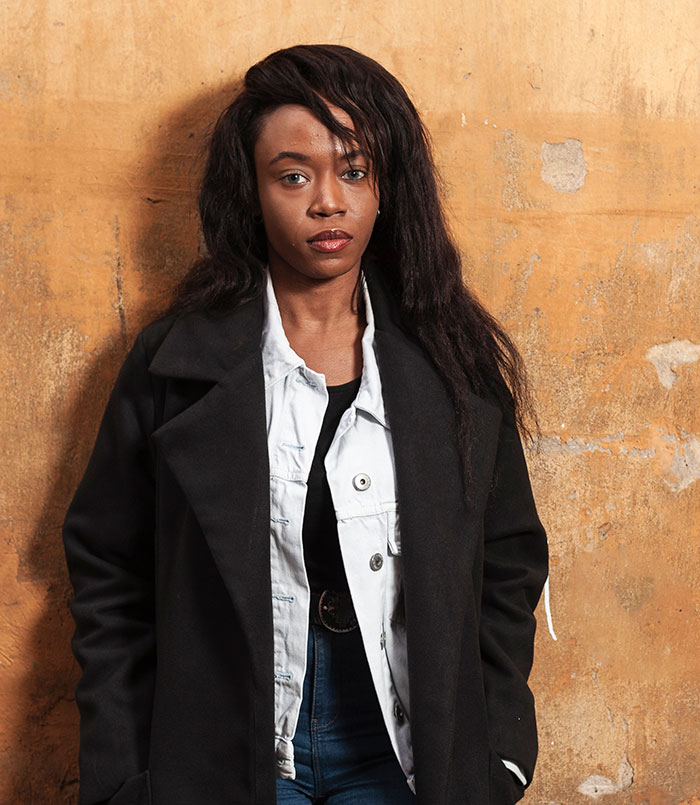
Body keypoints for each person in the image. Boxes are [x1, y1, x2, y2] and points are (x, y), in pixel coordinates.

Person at [63, 44, 548, 805]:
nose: (329, 201)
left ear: (387, 186)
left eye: (354, 171)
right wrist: (126, 774)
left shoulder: (451, 358)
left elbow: (510, 554)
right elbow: (108, 570)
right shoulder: (175, 362)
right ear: (252, 191)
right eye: (295, 175)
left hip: (404, 751)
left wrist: (501, 750)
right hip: (228, 757)